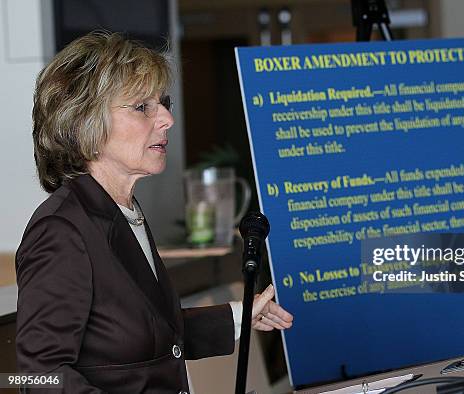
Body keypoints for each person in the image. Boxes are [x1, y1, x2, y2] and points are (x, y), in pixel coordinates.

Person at [15, 31, 293, 393]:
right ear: (85, 122)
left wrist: (240, 316)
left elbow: (150, 334)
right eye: (142, 107)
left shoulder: (124, 210)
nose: (166, 119)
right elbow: (38, 378)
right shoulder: (60, 230)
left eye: (163, 104)